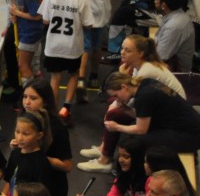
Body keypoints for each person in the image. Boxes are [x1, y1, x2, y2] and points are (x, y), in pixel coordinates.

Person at [80, 36, 187, 172]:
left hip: (171, 118)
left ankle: (105, 160)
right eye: (122, 49)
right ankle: (104, 148)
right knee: (113, 103)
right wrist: (122, 76)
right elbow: (132, 92)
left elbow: (136, 97)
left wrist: (117, 113)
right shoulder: (139, 67)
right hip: (163, 108)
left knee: (115, 113)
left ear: (140, 53)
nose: (122, 53)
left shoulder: (146, 71)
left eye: (128, 50)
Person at [40, 0, 95, 123]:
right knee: (74, 75)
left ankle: (53, 112)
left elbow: (45, 20)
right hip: (72, 47)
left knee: (55, 78)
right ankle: (66, 108)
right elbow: (89, 24)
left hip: (53, 46)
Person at [101, 73, 200, 154]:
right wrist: (125, 109)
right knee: (132, 132)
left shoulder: (144, 96)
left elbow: (141, 130)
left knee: (135, 142)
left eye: (116, 95)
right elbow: (143, 116)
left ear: (124, 87)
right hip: (188, 126)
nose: (117, 99)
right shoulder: (147, 82)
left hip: (189, 135)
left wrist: (117, 127)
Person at [72, 135, 149, 196]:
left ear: (138, 158)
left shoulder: (150, 180)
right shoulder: (124, 176)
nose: (121, 160)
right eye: (120, 155)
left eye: (126, 157)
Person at [0, 110, 52, 196]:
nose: (19, 138)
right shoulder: (15, 153)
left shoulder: (41, 163)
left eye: (25, 134)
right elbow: (9, 181)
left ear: (39, 135)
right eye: (17, 132)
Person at [9, 0, 43, 84]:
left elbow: (38, 16)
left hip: (30, 33)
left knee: (23, 66)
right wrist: (16, 16)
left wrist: (18, 13)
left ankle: (28, 91)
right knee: (29, 64)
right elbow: (22, 10)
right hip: (24, 31)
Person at [154, 0, 195, 73]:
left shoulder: (174, 26)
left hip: (176, 73)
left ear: (163, 6)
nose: (154, 1)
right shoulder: (176, 15)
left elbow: (159, 57)